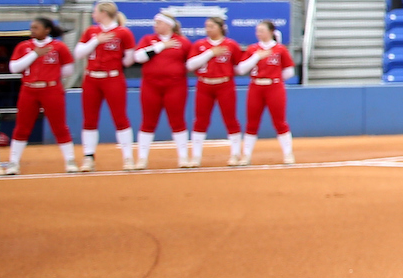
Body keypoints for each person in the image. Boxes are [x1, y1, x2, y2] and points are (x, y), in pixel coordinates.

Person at [1, 17, 77, 176]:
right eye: (32, 27)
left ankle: (70, 160)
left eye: (36, 27)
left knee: (59, 126)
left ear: (47, 30)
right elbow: (14, 67)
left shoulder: (58, 47)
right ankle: (14, 163)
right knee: (22, 127)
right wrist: (35, 54)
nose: (32, 30)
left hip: (51, 89)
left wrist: (52, 77)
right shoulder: (24, 46)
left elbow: (68, 69)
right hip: (29, 90)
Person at [125, 14, 192, 170]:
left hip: (175, 85)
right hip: (151, 85)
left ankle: (183, 157)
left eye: (159, 22)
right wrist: (161, 46)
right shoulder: (148, 40)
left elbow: (190, 62)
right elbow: (139, 57)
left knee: (177, 120)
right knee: (148, 121)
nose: (155, 25)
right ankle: (142, 158)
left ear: (168, 25)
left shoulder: (182, 42)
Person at [73, 2, 134, 171]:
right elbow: (78, 53)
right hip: (92, 79)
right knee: (89, 118)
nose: (93, 15)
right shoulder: (91, 32)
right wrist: (96, 41)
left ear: (104, 13)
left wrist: (113, 66)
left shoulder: (123, 33)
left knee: (120, 117)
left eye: (95, 12)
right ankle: (88, 156)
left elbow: (129, 58)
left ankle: (128, 157)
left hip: (113, 78)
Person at [183, 14, 245, 167]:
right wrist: (211, 53)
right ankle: (196, 156)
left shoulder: (231, 45)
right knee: (200, 120)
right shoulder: (199, 45)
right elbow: (190, 65)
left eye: (212, 26)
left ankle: (235, 154)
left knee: (230, 118)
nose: (208, 29)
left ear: (221, 28)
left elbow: (240, 66)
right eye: (207, 26)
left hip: (225, 84)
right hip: (204, 84)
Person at [233, 20, 295, 163]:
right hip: (256, 86)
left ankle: (288, 153)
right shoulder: (252, 49)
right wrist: (256, 57)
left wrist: (275, 79)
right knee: (252, 122)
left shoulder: (280, 49)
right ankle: (246, 155)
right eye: (257, 31)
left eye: (262, 30)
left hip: (274, 87)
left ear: (271, 32)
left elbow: (289, 71)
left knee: (280, 121)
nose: (258, 33)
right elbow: (241, 69)